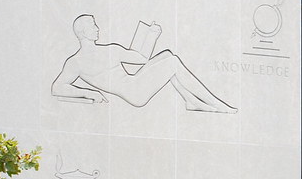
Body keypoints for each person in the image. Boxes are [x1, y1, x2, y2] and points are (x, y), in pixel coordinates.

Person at [52, 14, 235, 113]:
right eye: (93, 25)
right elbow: (57, 87)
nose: (97, 28)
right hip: (135, 92)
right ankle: (216, 104)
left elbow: (140, 59)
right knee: (172, 62)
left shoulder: (109, 49)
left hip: (134, 82)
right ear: (83, 32)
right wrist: (88, 93)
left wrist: (151, 34)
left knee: (167, 56)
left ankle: (190, 101)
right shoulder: (76, 62)